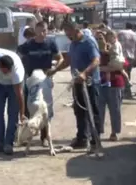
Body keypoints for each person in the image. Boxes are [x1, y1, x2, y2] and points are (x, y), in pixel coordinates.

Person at [49, 21, 101, 151]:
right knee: (79, 111)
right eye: (66, 32)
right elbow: (68, 60)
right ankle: (82, 139)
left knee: (92, 112)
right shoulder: (73, 44)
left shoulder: (88, 42)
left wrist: (84, 73)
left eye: (69, 32)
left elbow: (96, 61)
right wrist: (55, 69)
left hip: (90, 83)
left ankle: (96, 141)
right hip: (77, 83)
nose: (67, 35)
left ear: (76, 30)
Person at [18, 21, 63, 146]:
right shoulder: (27, 45)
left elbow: (60, 58)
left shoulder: (51, 44)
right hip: (31, 79)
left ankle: (44, 137)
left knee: (45, 108)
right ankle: (25, 135)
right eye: (41, 30)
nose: (44, 33)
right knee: (28, 107)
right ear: (36, 31)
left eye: (45, 30)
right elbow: (18, 57)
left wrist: (55, 69)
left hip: (45, 79)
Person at [117, 22, 136, 99]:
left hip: (121, 56)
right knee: (128, 73)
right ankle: (127, 92)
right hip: (131, 58)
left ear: (125, 26)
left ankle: (122, 92)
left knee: (121, 74)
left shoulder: (120, 33)